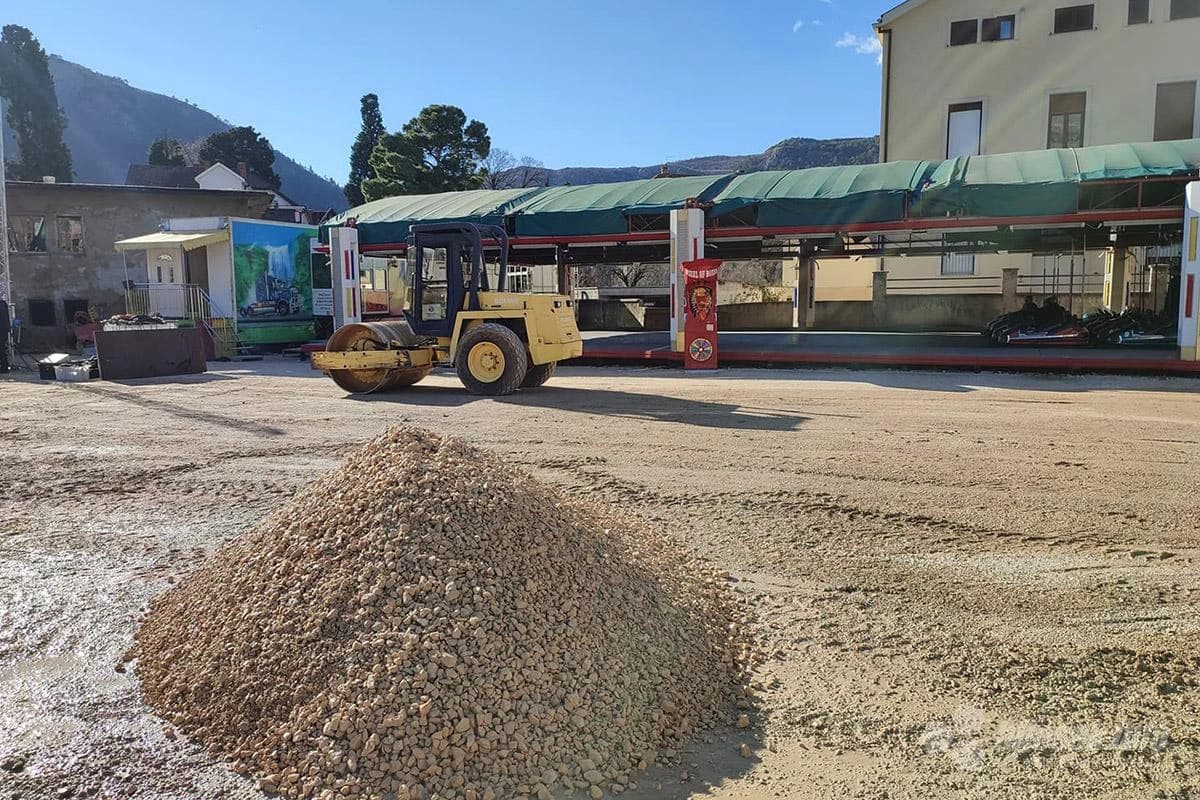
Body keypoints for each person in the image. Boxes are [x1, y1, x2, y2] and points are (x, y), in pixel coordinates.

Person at [0, 298, 10, 373]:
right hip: (4, 330)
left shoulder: (2, 305)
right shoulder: (4, 304)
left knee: (2, 349)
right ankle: (5, 366)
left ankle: (4, 367)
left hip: (1, 329)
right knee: (2, 348)